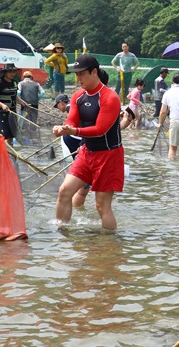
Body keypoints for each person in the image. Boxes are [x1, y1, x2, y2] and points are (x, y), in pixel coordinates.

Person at [53, 54, 124, 231]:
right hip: (86, 152)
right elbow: (71, 120)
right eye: (76, 75)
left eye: (81, 74)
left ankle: (108, 246)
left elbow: (101, 129)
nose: (78, 78)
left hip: (109, 155)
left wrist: (74, 131)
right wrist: (62, 128)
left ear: (94, 72)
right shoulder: (78, 96)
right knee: (64, 191)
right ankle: (61, 235)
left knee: (101, 205)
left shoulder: (110, 97)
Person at [0, 63, 28, 145]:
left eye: (14, 71)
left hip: (13, 112)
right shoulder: (0, 83)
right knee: (3, 135)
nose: (12, 74)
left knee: (11, 134)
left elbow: (15, 96)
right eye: (10, 72)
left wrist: (22, 102)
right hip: (2, 113)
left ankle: (11, 152)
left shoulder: (14, 82)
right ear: (5, 72)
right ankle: (2, 152)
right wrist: (2, 105)